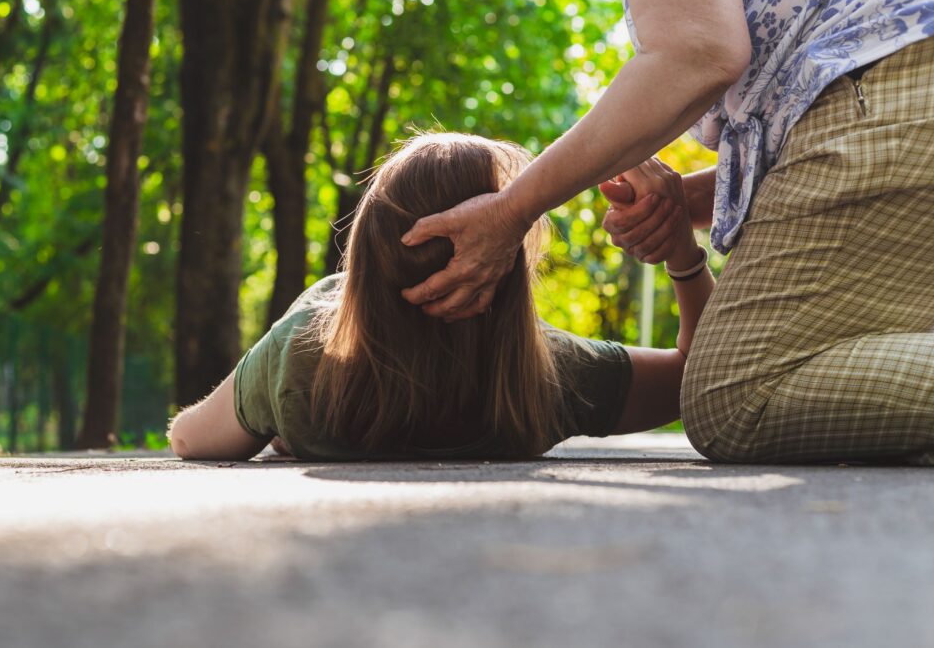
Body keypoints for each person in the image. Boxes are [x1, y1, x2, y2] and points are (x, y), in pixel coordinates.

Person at [398, 0, 934, 465]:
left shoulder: (312, 361)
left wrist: (513, 208)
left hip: (903, 74)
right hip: (911, 68)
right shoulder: (554, 373)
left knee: (734, 400)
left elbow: (698, 52)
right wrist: (681, 210)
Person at [168, 133, 713, 461]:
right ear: (505, 268)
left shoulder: (303, 358)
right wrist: (683, 258)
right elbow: (699, 379)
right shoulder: (549, 376)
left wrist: (282, 393)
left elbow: (190, 440)